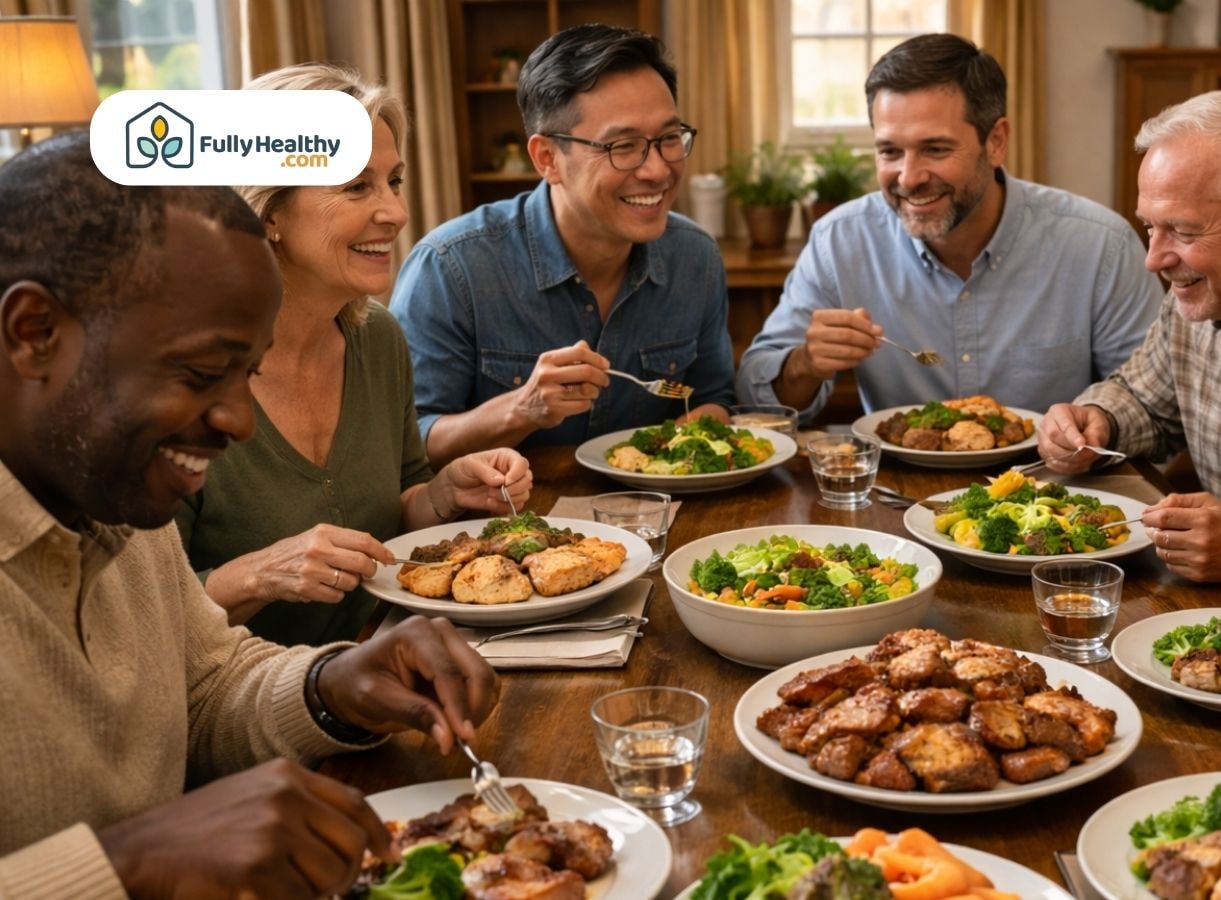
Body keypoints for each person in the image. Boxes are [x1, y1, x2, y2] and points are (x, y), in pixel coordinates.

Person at [0, 131, 499, 898]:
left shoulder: (119, 496)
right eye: (202, 374)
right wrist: (127, 864)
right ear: (34, 334)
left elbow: (204, 684)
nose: (236, 421)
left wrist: (331, 684)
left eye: (249, 373)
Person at [176, 63, 532, 647]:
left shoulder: (378, 338)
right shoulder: (174, 380)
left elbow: (398, 507)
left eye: (394, 181)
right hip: (241, 709)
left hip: (388, 659)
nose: (396, 212)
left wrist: (442, 496)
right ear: (267, 212)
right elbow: (140, 620)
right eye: (355, 185)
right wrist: (260, 574)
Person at [734, 33, 1161, 421]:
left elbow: (1152, 405)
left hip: (1056, 493)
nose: (909, 177)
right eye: (889, 151)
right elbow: (757, 400)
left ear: (996, 142)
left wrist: (1100, 428)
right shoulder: (839, 242)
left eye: (935, 149)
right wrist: (806, 362)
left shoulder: (1100, 246)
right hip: (896, 494)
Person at [391, 24, 735, 460]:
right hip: (505, 524)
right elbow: (406, 445)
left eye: (669, 139)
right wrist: (522, 408)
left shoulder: (695, 257)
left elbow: (715, 396)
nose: (657, 170)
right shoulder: (450, 268)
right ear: (547, 159)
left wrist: (678, 449)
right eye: (623, 146)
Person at [1038, 90, 1221, 585]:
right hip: (1214, 610)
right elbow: (1142, 401)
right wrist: (1096, 421)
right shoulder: (1194, 305)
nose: (1154, 258)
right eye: (1151, 227)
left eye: (1182, 230)